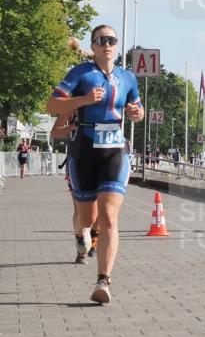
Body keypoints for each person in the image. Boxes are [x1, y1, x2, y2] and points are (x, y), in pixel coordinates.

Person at [46, 25, 144, 304]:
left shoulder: (127, 78)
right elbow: (52, 106)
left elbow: (137, 110)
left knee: (110, 218)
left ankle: (103, 281)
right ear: (94, 45)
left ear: (116, 44)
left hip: (115, 149)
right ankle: (80, 234)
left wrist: (137, 114)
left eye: (112, 40)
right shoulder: (80, 73)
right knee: (87, 219)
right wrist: (85, 100)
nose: (107, 44)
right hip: (84, 149)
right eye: (101, 40)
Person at [51, 112, 100, 262]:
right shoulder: (73, 103)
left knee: (101, 206)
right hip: (78, 161)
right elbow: (55, 132)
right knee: (80, 210)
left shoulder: (106, 99)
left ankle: (95, 237)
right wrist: (73, 126)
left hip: (103, 161)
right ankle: (80, 241)